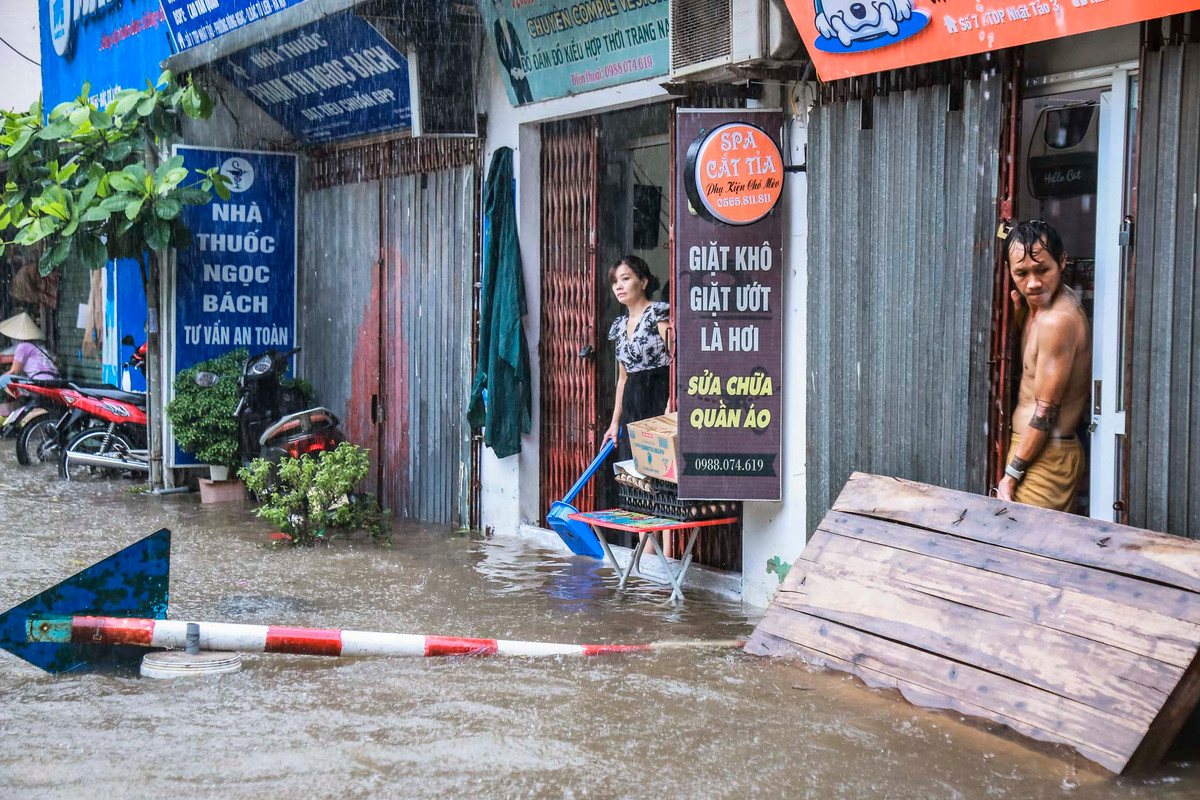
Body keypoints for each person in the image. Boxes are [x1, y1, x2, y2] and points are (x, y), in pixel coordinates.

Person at [996, 220, 1091, 512]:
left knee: (1025, 550)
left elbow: (1046, 410)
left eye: (1042, 270)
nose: (1033, 282)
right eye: (1021, 273)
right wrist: (1017, 317)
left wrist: (1012, 474)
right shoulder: (1037, 308)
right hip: (1033, 453)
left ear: (1062, 262)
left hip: (1044, 458)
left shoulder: (1057, 320)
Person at [601, 256, 671, 461]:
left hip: (659, 397)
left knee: (660, 467)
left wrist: (672, 402)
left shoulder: (658, 313)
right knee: (634, 472)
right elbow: (623, 379)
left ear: (643, 281)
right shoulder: (619, 325)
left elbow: (680, 360)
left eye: (625, 279)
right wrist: (615, 422)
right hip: (632, 404)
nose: (618, 286)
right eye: (614, 282)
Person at [0, 311, 59, 395]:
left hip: (39, 381)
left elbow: (14, 371)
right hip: (53, 381)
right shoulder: (38, 346)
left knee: (3, 379)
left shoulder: (23, 346)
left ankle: (22, 400)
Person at [491, 0, 534, 105]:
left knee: (528, 95)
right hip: (511, 66)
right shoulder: (497, 26)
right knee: (520, 97)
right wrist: (510, 70)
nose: (499, 8)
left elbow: (518, 43)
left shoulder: (510, 23)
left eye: (500, 5)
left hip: (519, 63)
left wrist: (523, 63)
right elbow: (500, 51)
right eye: (497, 6)